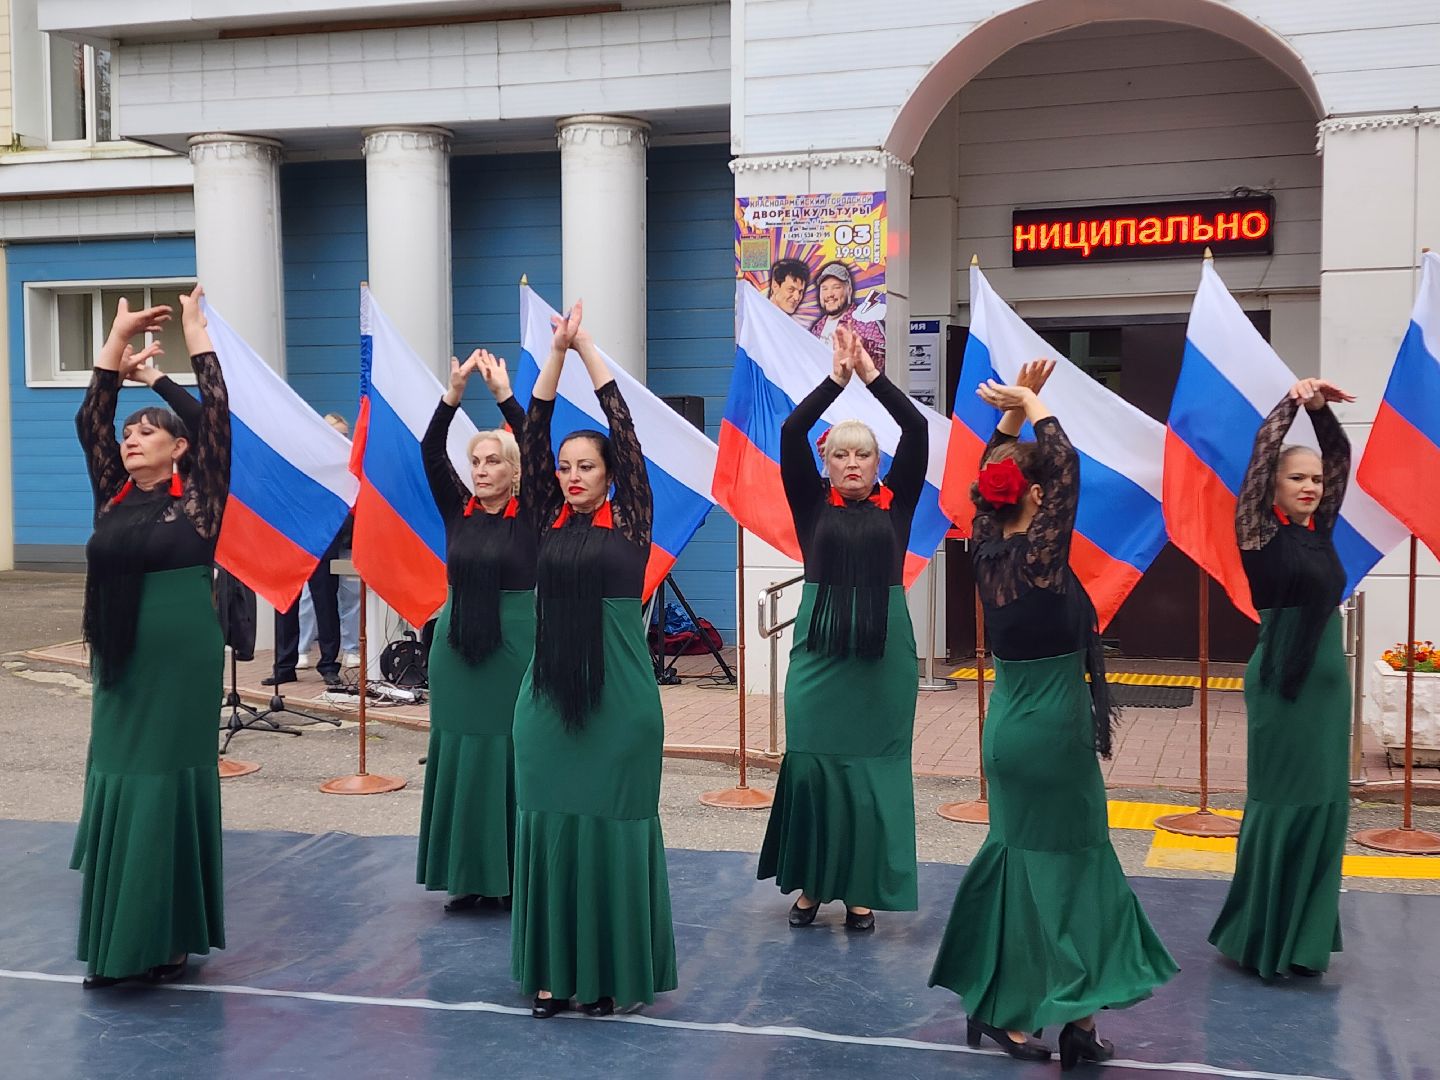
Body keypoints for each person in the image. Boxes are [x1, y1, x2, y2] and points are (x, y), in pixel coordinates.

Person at [928, 362, 1176, 1068]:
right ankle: (1075, 1018)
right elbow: (1066, 468)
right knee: (1073, 869)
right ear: (1033, 495)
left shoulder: (986, 548)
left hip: (1010, 730)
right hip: (1052, 733)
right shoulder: (1038, 557)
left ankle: (1016, 1011)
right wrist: (1034, 402)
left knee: (1025, 867)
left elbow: (995, 476)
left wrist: (1008, 420)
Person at [510, 301, 676, 1019]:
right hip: (546, 705)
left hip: (620, 706)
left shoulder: (634, 521)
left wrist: (590, 354)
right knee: (549, 825)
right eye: (566, 468)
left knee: (611, 828)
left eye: (587, 467)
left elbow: (629, 436)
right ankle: (552, 971)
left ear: (611, 476)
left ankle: (612, 972)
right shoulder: (543, 518)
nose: (573, 476)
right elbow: (532, 431)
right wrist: (552, 357)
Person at [72, 284, 229, 989]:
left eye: (148, 432)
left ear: (179, 450)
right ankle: (136, 932)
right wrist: (115, 338)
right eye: (129, 433)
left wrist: (191, 344)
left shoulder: (197, 503)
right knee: (124, 778)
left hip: (183, 660)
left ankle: (161, 938)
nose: (131, 438)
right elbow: (90, 416)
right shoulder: (111, 492)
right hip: (120, 658)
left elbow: (218, 420)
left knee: (163, 784)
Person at [756, 324, 926, 931]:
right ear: (826, 465)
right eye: (841, 454)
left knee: (871, 768)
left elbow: (919, 429)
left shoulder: (899, 502)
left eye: (863, 454)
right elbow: (791, 430)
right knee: (814, 762)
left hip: (884, 658)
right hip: (819, 656)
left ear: (879, 464)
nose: (852, 463)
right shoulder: (810, 504)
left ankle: (859, 889)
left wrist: (873, 376)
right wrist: (836, 379)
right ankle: (811, 885)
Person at [1208, 378, 1356, 980]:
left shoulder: (1319, 531)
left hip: (1328, 689)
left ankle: (1305, 939)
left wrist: (1321, 416)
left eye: (1316, 480)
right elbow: (1261, 455)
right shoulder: (1258, 532)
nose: (1312, 486)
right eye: (1298, 478)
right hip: (1282, 690)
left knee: (1325, 805)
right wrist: (1293, 402)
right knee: (1282, 803)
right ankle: (1263, 935)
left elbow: (1340, 457)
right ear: (1273, 485)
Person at [416, 348, 535, 913]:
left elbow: (535, 443)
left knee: (508, 752)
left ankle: (511, 871)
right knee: (462, 753)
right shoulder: (458, 511)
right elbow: (429, 451)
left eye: (493, 462)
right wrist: (454, 394)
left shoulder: (534, 513)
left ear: (514, 472)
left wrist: (505, 395)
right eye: (477, 462)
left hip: (514, 647)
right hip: (456, 647)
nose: (482, 470)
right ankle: (466, 871)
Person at [297, 413, 360, 671]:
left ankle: (351, 648)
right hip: (318, 543)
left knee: (351, 595)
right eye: (336, 433)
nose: (341, 439)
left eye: (345, 434)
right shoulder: (314, 465)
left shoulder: (353, 465)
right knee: (309, 599)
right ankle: (303, 649)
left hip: (347, 541)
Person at [807, 261, 886, 371]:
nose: (829, 294)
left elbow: (881, 365)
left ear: (848, 290)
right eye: (824, 288)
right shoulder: (818, 327)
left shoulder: (866, 324)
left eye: (836, 287)